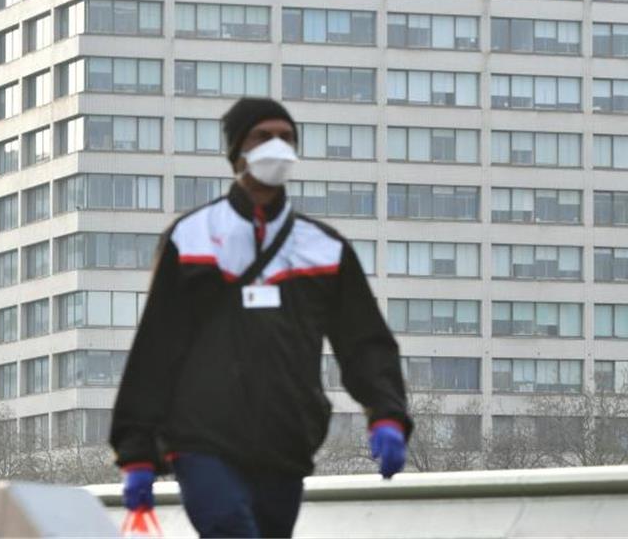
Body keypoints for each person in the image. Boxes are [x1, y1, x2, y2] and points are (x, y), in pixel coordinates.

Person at [110, 97, 412, 538]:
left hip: (285, 442)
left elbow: (363, 341)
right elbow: (155, 347)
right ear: (238, 151)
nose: (278, 145)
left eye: (287, 137)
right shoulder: (192, 238)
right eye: (263, 136)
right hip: (201, 439)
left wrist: (386, 414)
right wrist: (135, 451)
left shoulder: (324, 249)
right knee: (231, 528)